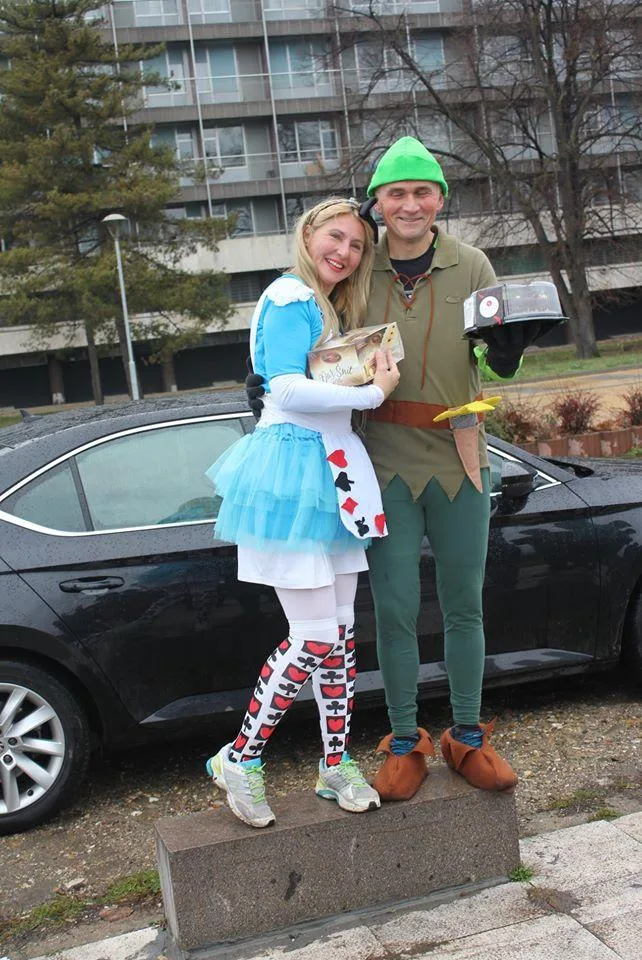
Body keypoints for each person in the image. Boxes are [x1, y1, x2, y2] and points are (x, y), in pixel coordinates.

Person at [248, 139, 534, 802]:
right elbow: (317, 346)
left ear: (440, 199)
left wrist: (507, 357)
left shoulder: (472, 263)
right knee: (396, 608)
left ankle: (467, 734)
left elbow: (491, 356)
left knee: (465, 603)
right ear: (377, 202)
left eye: (422, 191)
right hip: (381, 461)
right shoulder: (357, 267)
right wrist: (267, 380)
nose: (409, 204)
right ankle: (405, 739)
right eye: (396, 193)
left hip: (459, 456)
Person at [205, 197, 400, 828]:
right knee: (315, 635)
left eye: (356, 246)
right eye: (335, 237)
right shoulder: (290, 296)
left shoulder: (324, 304)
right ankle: (240, 757)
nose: (344, 252)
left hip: (331, 470)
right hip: (293, 473)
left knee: (339, 636)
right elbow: (284, 386)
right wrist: (373, 393)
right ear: (308, 232)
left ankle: (335, 763)